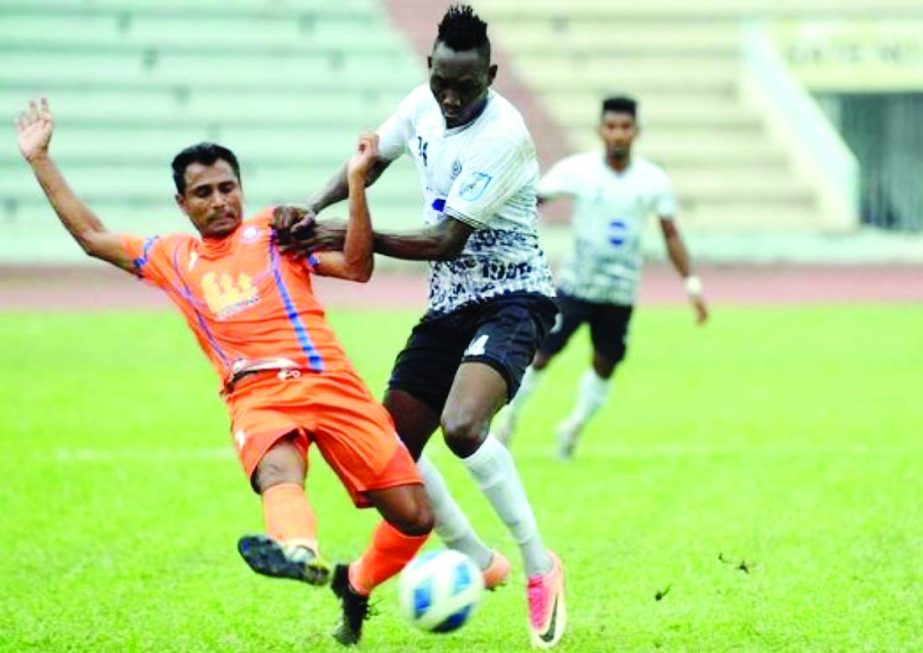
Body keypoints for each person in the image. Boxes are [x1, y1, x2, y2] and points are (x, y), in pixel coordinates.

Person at [15, 97, 433, 647]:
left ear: (240, 188)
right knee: (279, 475)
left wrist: (357, 183)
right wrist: (39, 159)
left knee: (414, 516)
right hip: (256, 393)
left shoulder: (277, 231)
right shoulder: (174, 257)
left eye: (226, 187)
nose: (219, 201)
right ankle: (299, 552)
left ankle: (353, 586)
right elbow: (93, 238)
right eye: (204, 193)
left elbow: (357, 267)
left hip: (329, 382)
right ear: (182, 203)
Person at [275, 5, 566, 648]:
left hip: (513, 299)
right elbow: (372, 160)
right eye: (441, 82)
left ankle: (539, 565)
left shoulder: (505, 136)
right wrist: (313, 204)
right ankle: (455, 562)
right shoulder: (421, 103)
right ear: (429, 67)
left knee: (463, 427)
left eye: (466, 85)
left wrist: (339, 233)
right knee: (390, 463)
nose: (452, 97)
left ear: (491, 73)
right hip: (448, 307)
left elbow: (444, 241)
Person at [493, 95, 710, 459]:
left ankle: (573, 426)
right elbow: (532, 201)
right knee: (541, 354)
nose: (618, 134)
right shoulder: (578, 170)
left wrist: (692, 284)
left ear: (636, 132)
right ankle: (508, 422)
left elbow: (671, 233)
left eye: (625, 127)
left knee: (605, 365)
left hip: (620, 293)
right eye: (611, 127)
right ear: (600, 130)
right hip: (576, 286)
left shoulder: (652, 180)